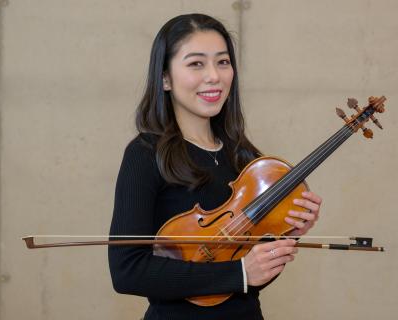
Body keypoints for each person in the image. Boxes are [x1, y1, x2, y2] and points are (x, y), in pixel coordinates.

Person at [108, 13, 322, 320]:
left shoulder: (246, 160)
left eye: (222, 62)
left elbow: (253, 280)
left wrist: (287, 234)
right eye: (196, 63)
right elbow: (127, 271)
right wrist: (238, 273)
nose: (214, 76)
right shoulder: (146, 154)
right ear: (165, 78)